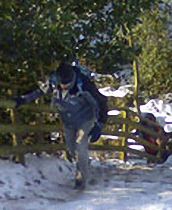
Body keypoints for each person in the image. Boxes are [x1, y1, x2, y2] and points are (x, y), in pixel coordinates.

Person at [13, 59, 108, 190]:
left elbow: (101, 102)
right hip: (68, 120)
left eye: (67, 84)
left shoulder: (85, 85)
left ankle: (81, 178)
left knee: (80, 144)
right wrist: (23, 99)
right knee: (71, 147)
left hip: (86, 118)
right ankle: (83, 162)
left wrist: (99, 124)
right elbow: (39, 91)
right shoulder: (53, 81)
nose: (64, 87)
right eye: (62, 84)